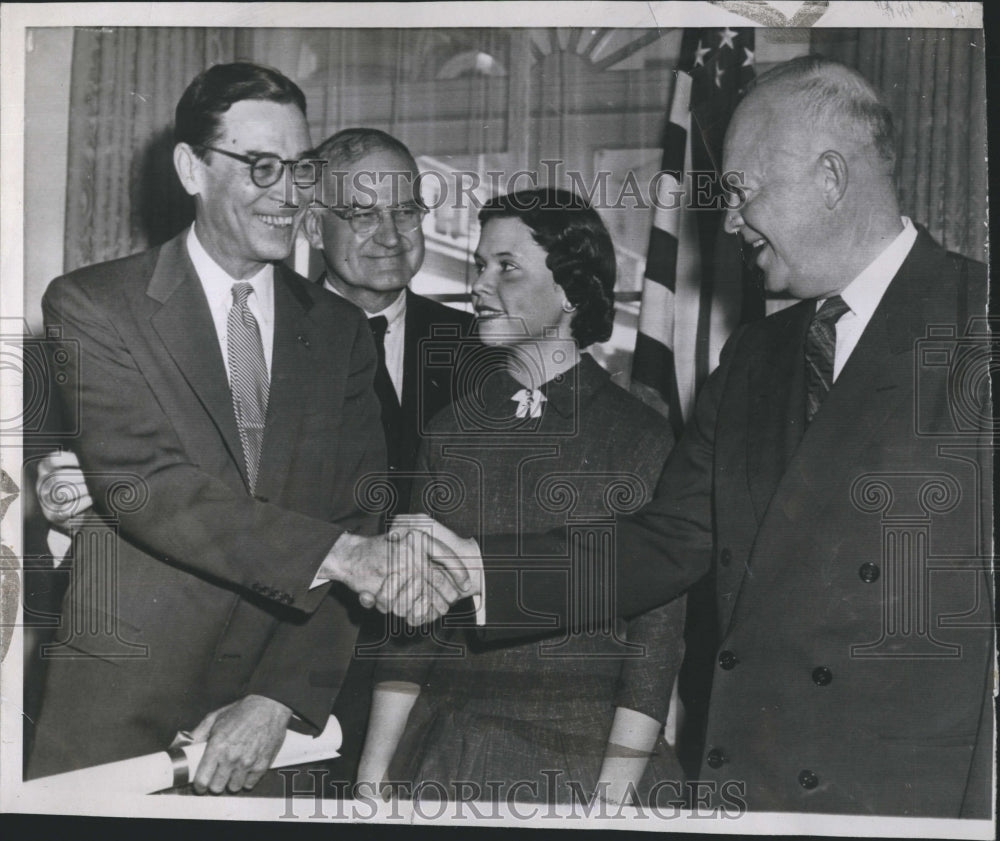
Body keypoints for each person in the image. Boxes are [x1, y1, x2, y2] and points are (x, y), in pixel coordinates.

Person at [387, 56, 994, 817]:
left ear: (831, 178)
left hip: (911, 794)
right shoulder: (754, 355)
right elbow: (664, 541)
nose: (731, 222)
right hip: (754, 775)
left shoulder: (980, 321)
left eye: (742, 192)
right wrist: (484, 570)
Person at [27, 63, 461, 793]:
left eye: (300, 168)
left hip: (272, 733)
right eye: (262, 166)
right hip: (116, 719)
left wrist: (279, 698)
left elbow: (358, 512)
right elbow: (151, 486)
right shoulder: (94, 305)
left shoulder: (340, 332)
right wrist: (346, 555)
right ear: (192, 168)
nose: (288, 194)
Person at [356, 188, 687, 806]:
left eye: (506, 267)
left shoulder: (640, 433)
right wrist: (372, 783)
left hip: (590, 763)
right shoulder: (452, 430)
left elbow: (655, 648)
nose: (481, 284)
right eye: (480, 265)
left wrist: (609, 808)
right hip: (448, 755)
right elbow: (411, 631)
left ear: (570, 292)